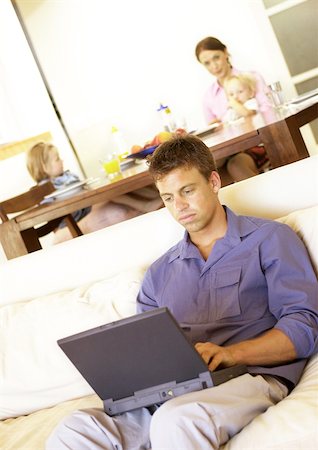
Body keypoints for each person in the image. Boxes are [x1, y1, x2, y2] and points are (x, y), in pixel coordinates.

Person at [46, 135, 318, 450]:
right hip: (177, 393)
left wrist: (231, 354)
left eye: (187, 191)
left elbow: (304, 327)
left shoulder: (270, 239)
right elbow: (147, 353)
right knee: (74, 429)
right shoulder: (159, 273)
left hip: (251, 379)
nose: (180, 206)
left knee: (175, 419)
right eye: (168, 198)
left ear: (213, 182)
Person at [26, 142, 163, 243]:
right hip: (76, 213)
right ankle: (145, 205)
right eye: (57, 159)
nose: (61, 161)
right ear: (45, 168)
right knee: (109, 193)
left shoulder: (64, 176)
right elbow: (49, 206)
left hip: (84, 205)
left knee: (111, 189)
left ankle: (155, 198)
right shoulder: (45, 189)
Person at [195, 36, 272, 184]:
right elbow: (214, 133)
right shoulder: (208, 97)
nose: (214, 66)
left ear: (225, 53)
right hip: (229, 151)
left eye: (216, 57)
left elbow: (268, 111)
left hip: (258, 144)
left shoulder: (251, 78)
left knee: (233, 166)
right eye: (207, 63)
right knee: (203, 170)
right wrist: (216, 127)